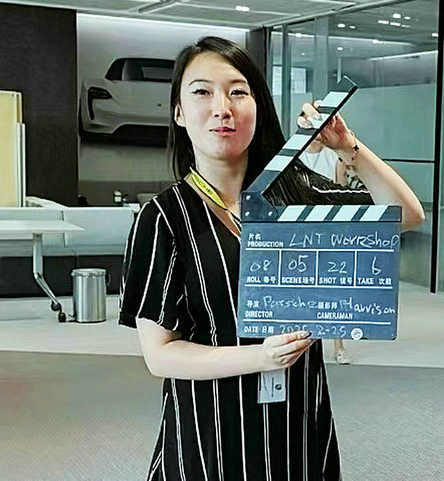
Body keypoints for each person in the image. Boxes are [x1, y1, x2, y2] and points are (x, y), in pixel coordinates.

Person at [119, 36, 425, 481]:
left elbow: (407, 215)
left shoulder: (295, 195)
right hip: (212, 429)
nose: (222, 108)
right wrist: (261, 357)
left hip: (298, 423)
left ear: (258, 107)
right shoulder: (163, 218)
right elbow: (161, 356)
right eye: (202, 92)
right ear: (179, 112)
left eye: (237, 92)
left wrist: (347, 146)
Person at [299, 136, 362, 365]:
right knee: (304, 287)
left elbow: (340, 194)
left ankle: (339, 346)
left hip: (328, 230)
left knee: (333, 287)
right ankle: (303, 344)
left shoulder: (334, 157)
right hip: (301, 230)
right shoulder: (295, 156)